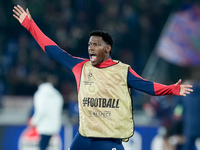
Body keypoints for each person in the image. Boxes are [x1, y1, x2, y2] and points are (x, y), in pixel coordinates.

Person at [12, 5, 193, 150]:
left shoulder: (122, 71)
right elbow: (53, 50)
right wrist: (30, 25)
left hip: (110, 140)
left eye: (96, 45)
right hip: (84, 138)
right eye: (90, 45)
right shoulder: (80, 66)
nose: (91, 48)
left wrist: (173, 89)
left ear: (107, 49)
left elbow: (147, 86)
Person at [28, 73, 64, 150]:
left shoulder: (40, 94)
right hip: (55, 125)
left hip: (44, 125)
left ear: (39, 82)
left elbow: (41, 111)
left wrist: (33, 121)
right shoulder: (57, 94)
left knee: (42, 146)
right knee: (47, 145)